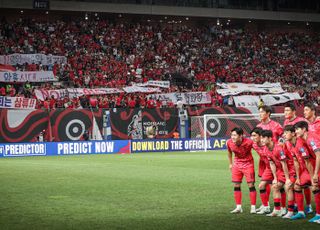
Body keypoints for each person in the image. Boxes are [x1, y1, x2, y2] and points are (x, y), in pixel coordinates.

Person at [283, 103, 312, 214]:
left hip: (303, 154)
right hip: (292, 153)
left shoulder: (301, 121)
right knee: (297, 182)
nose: (285, 113)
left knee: (304, 184)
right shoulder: (286, 122)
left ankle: (308, 205)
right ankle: (296, 205)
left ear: (294, 111)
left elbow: (308, 132)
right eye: (284, 110)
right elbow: (284, 136)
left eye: (287, 110)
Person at [261, 130, 295, 217]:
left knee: (288, 187)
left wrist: (287, 179)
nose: (261, 140)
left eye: (263, 138)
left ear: (270, 138)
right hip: (280, 170)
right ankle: (277, 210)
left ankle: (290, 211)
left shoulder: (279, 148)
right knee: (275, 186)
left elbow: (284, 163)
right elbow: (272, 163)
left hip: (290, 169)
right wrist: (275, 178)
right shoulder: (265, 149)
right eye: (261, 138)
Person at [294, 121, 320, 223]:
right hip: (311, 167)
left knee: (316, 186)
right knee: (297, 185)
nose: (295, 132)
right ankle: (301, 212)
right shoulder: (300, 140)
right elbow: (307, 159)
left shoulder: (311, 139)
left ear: (304, 129)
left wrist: (315, 174)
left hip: (316, 166)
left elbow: (318, 155)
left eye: (297, 129)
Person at [227, 127, 256, 214]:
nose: (232, 137)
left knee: (251, 185)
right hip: (237, 164)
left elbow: (258, 148)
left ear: (241, 136)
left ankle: (253, 207)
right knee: (236, 184)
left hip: (248, 164)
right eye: (232, 135)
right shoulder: (229, 142)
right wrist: (230, 163)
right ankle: (238, 207)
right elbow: (229, 152)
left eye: (235, 135)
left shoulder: (249, 142)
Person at [250, 127, 271, 214]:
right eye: (252, 136)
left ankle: (281, 207)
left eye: (255, 136)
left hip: (273, 164)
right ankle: (266, 204)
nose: (253, 138)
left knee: (276, 185)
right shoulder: (254, 144)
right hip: (264, 164)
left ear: (260, 136)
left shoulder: (266, 144)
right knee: (264, 184)